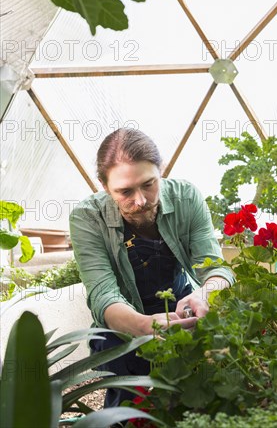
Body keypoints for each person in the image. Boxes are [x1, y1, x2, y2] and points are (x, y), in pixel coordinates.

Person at [69, 128, 234, 408]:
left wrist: (204, 295)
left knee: (197, 395)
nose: (141, 200)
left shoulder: (186, 198)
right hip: (121, 324)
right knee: (128, 406)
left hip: (178, 309)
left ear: (162, 170)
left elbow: (217, 269)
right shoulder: (87, 217)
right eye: (125, 191)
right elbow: (102, 296)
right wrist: (143, 325)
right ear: (103, 184)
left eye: (148, 184)